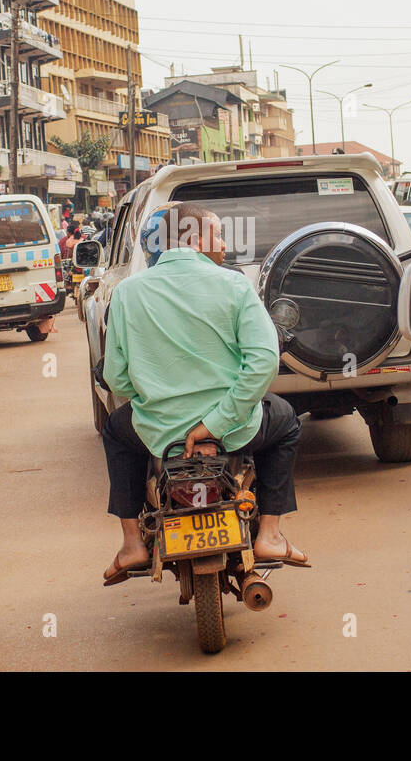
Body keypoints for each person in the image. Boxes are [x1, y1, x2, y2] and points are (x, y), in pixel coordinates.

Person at [100, 204, 309, 584]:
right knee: (288, 422)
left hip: (160, 433)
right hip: (234, 428)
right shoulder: (234, 284)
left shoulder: (127, 293)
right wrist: (216, 423)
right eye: (218, 235)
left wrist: (154, 400)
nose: (225, 245)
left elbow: (116, 378)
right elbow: (262, 362)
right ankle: (270, 535)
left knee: (116, 431)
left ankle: (132, 544)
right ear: (194, 239)